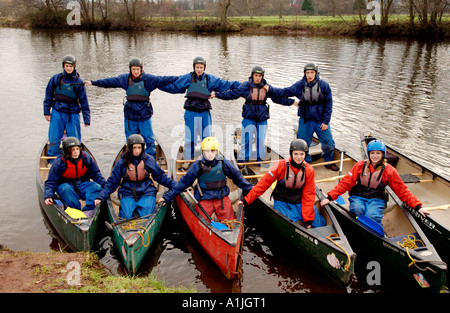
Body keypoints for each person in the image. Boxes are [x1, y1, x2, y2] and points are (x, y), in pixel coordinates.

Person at [84, 58, 179, 158]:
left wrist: (182, 78)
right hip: (130, 116)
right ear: (130, 69)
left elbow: (165, 79)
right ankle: (132, 161)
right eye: (134, 69)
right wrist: (93, 82)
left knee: (149, 140)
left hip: (144, 116)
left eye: (138, 69)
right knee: (131, 140)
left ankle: (149, 161)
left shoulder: (149, 80)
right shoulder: (125, 79)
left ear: (141, 69)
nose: (136, 72)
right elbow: (109, 82)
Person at [320, 139, 429, 225]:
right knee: (357, 210)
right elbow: (345, 183)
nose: (375, 156)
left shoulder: (389, 170)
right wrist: (329, 198)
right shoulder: (360, 166)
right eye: (372, 153)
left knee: (371, 216)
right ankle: (357, 225)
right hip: (358, 196)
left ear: (383, 155)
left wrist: (418, 207)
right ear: (368, 154)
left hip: (377, 198)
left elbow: (402, 191)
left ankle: (376, 230)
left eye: (378, 153)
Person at [160, 57, 241, 160]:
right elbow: (174, 87)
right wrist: (159, 85)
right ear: (194, 67)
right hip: (190, 112)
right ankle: (188, 160)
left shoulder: (209, 79)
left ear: (204, 68)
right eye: (197, 67)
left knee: (207, 138)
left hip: (204, 112)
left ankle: (206, 160)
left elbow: (225, 84)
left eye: (201, 67)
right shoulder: (188, 78)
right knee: (190, 139)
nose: (199, 69)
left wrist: (242, 85)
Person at [159, 137, 253, 222]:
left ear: (217, 151)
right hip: (204, 198)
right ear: (203, 151)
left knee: (231, 222)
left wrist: (253, 191)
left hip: (221, 198)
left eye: (213, 151)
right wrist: (167, 197)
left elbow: (239, 179)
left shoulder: (224, 163)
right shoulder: (198, 165)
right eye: (207, 151)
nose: (210, 154)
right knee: (202, 221)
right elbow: (182, 184)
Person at [212, 66, 291, 162]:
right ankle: (242, 161)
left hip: (262, 118)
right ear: (252, 75)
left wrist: (291, 102)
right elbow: (232, 94)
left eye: (259, 76)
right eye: (256, 75)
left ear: (262, 77)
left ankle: (260, 160)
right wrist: (217, 94)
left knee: (260, 141)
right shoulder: (246, 86)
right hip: (249, 117)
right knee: (247, 141)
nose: (257, 78)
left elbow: (278, 96)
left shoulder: (266, 87)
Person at [241, 139, 326, 229]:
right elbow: (263, 184)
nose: (299, 157)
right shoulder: (280, 165)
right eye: (296, 154)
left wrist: (308, 219)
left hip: (299, 201)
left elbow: (309, 194)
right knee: (290, 224)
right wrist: (246, 200)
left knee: (317, 222)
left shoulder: (309, 170)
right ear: (291, 154)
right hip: (282, 201)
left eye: (302, 154)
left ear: (305, 155)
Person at [270, 62, 338, 170]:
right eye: (307, 73)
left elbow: (329, 104)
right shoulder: (299, 85)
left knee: (329, 144)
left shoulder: (324, 86)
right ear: (305, 73)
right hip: (305, 121)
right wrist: (289, 101)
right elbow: (284, 92)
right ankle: (306, 164)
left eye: (312, 72)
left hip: (321, 121)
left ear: (316, 73)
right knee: (302, 145)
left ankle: (328, 161)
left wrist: (325, 121)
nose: (309, 75)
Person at [94, 134, 176, 220]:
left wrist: (176, 186)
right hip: (127, 191)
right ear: (130, 148)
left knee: (146, 216)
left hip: (146, 191)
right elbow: (112, 182)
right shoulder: (122, 162)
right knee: (126, 216)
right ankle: (133, 212)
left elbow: (160, 176)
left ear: (143, 148)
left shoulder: (148, 160)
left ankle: (137, 212)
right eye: (134, 148)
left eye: (139, 148)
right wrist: (101, 196)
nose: (137, 151)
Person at [43, 55, 91, 161]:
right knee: (54, 138)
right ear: (63, 66)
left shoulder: (79, 81)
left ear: (74, 67)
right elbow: (48, 95)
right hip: (57, 112)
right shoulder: (56, 79)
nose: (69, 68)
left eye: (71, 66)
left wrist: (86, 118)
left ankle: (75, 160)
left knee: (74, 140)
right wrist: (46, 112)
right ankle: (52, 159)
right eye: (67, 66)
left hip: (72, 114)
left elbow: (84, 101)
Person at [44, 137, 106, 216]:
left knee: (96, 187)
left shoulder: (85, 158)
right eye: (72, 150)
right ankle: (75, 211)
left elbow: (96, 174)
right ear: (67, 151)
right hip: (67, 187)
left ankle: (89, 211)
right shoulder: (59, 163)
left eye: (77, 149)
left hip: (83, 185)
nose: (76, 152)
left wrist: (105, 186)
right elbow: (51, 182)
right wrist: (48, 195)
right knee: (65, 189)